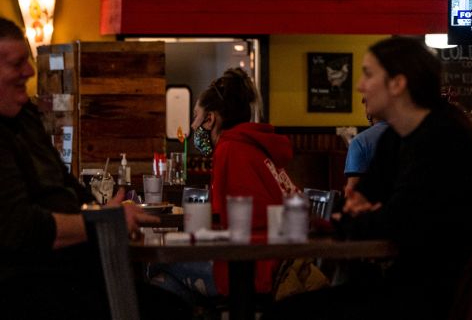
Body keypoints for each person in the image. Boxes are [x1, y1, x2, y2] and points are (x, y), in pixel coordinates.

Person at [271, 37, 472, 320]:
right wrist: (357, 215)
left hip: (445, 296)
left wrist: (357, 219)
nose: (360, 86)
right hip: (406, 282)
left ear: (397, 83)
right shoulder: (396, 136)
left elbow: (400, 220)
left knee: (287, 314)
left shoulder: (443, 136)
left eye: (368, 74)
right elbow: (360, 201)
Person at [0, 17, 180, 319]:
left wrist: (104, 209)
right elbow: (20, 228)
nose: (30, 72)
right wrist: (106, 222)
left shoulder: (26, 118)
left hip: (75, 275)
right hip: (29, 288)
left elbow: (68, 187)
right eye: (17, 64)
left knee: (172, 308)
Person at [151, 67, 304, 303]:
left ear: (210, 119)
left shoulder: (230, 149)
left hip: (253, 270)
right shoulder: (255, 145)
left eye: (196, 116)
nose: (193, 126)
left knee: (156, 264)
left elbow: (227, 224)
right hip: (278, 260)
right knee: (165, 283)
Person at [342, 103, 388, 199]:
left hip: (373, 208)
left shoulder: (360, 141)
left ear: (369, 111)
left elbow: (352, 189)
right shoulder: (411, 135)